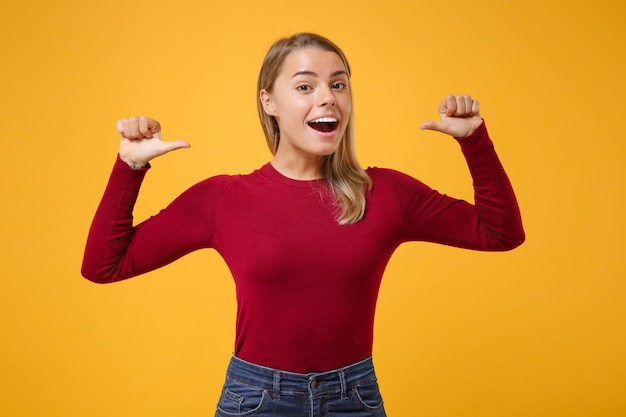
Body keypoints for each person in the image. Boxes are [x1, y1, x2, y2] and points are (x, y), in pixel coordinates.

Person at [82, 32, 524, 417]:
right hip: (254, 401)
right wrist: (129, 166)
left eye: (338, 84)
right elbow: (104, 265)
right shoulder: (224, 199)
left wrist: (474, 141)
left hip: (355, 399)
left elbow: (500, 232)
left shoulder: (384, 193)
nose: (327, 96)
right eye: (305, 85)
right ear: (268, 101)